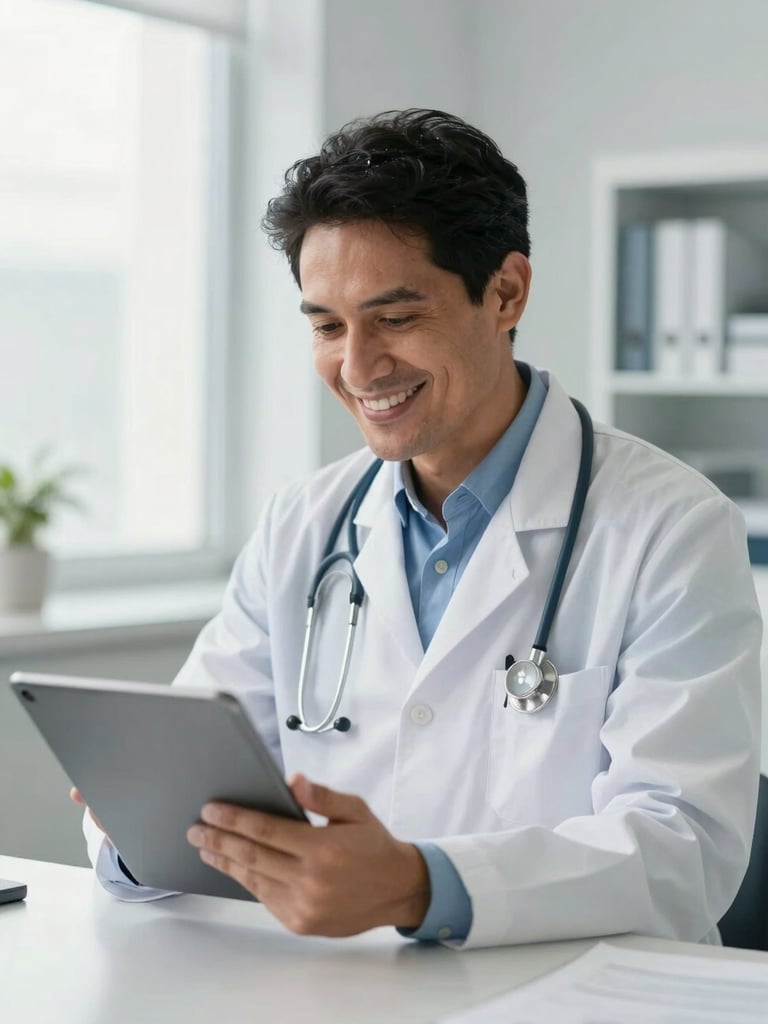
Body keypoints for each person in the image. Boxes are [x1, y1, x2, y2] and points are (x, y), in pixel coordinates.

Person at [76, 108, 762, 949]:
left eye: (395, 318)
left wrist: (419, 884)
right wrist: (140, 829)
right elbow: (175, 777)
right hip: (330, 994)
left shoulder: (671, 526)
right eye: (327, 325)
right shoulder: (304, 524)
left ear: (505, 292)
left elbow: (682, 844)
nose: (358, 368)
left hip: (571, 1007)